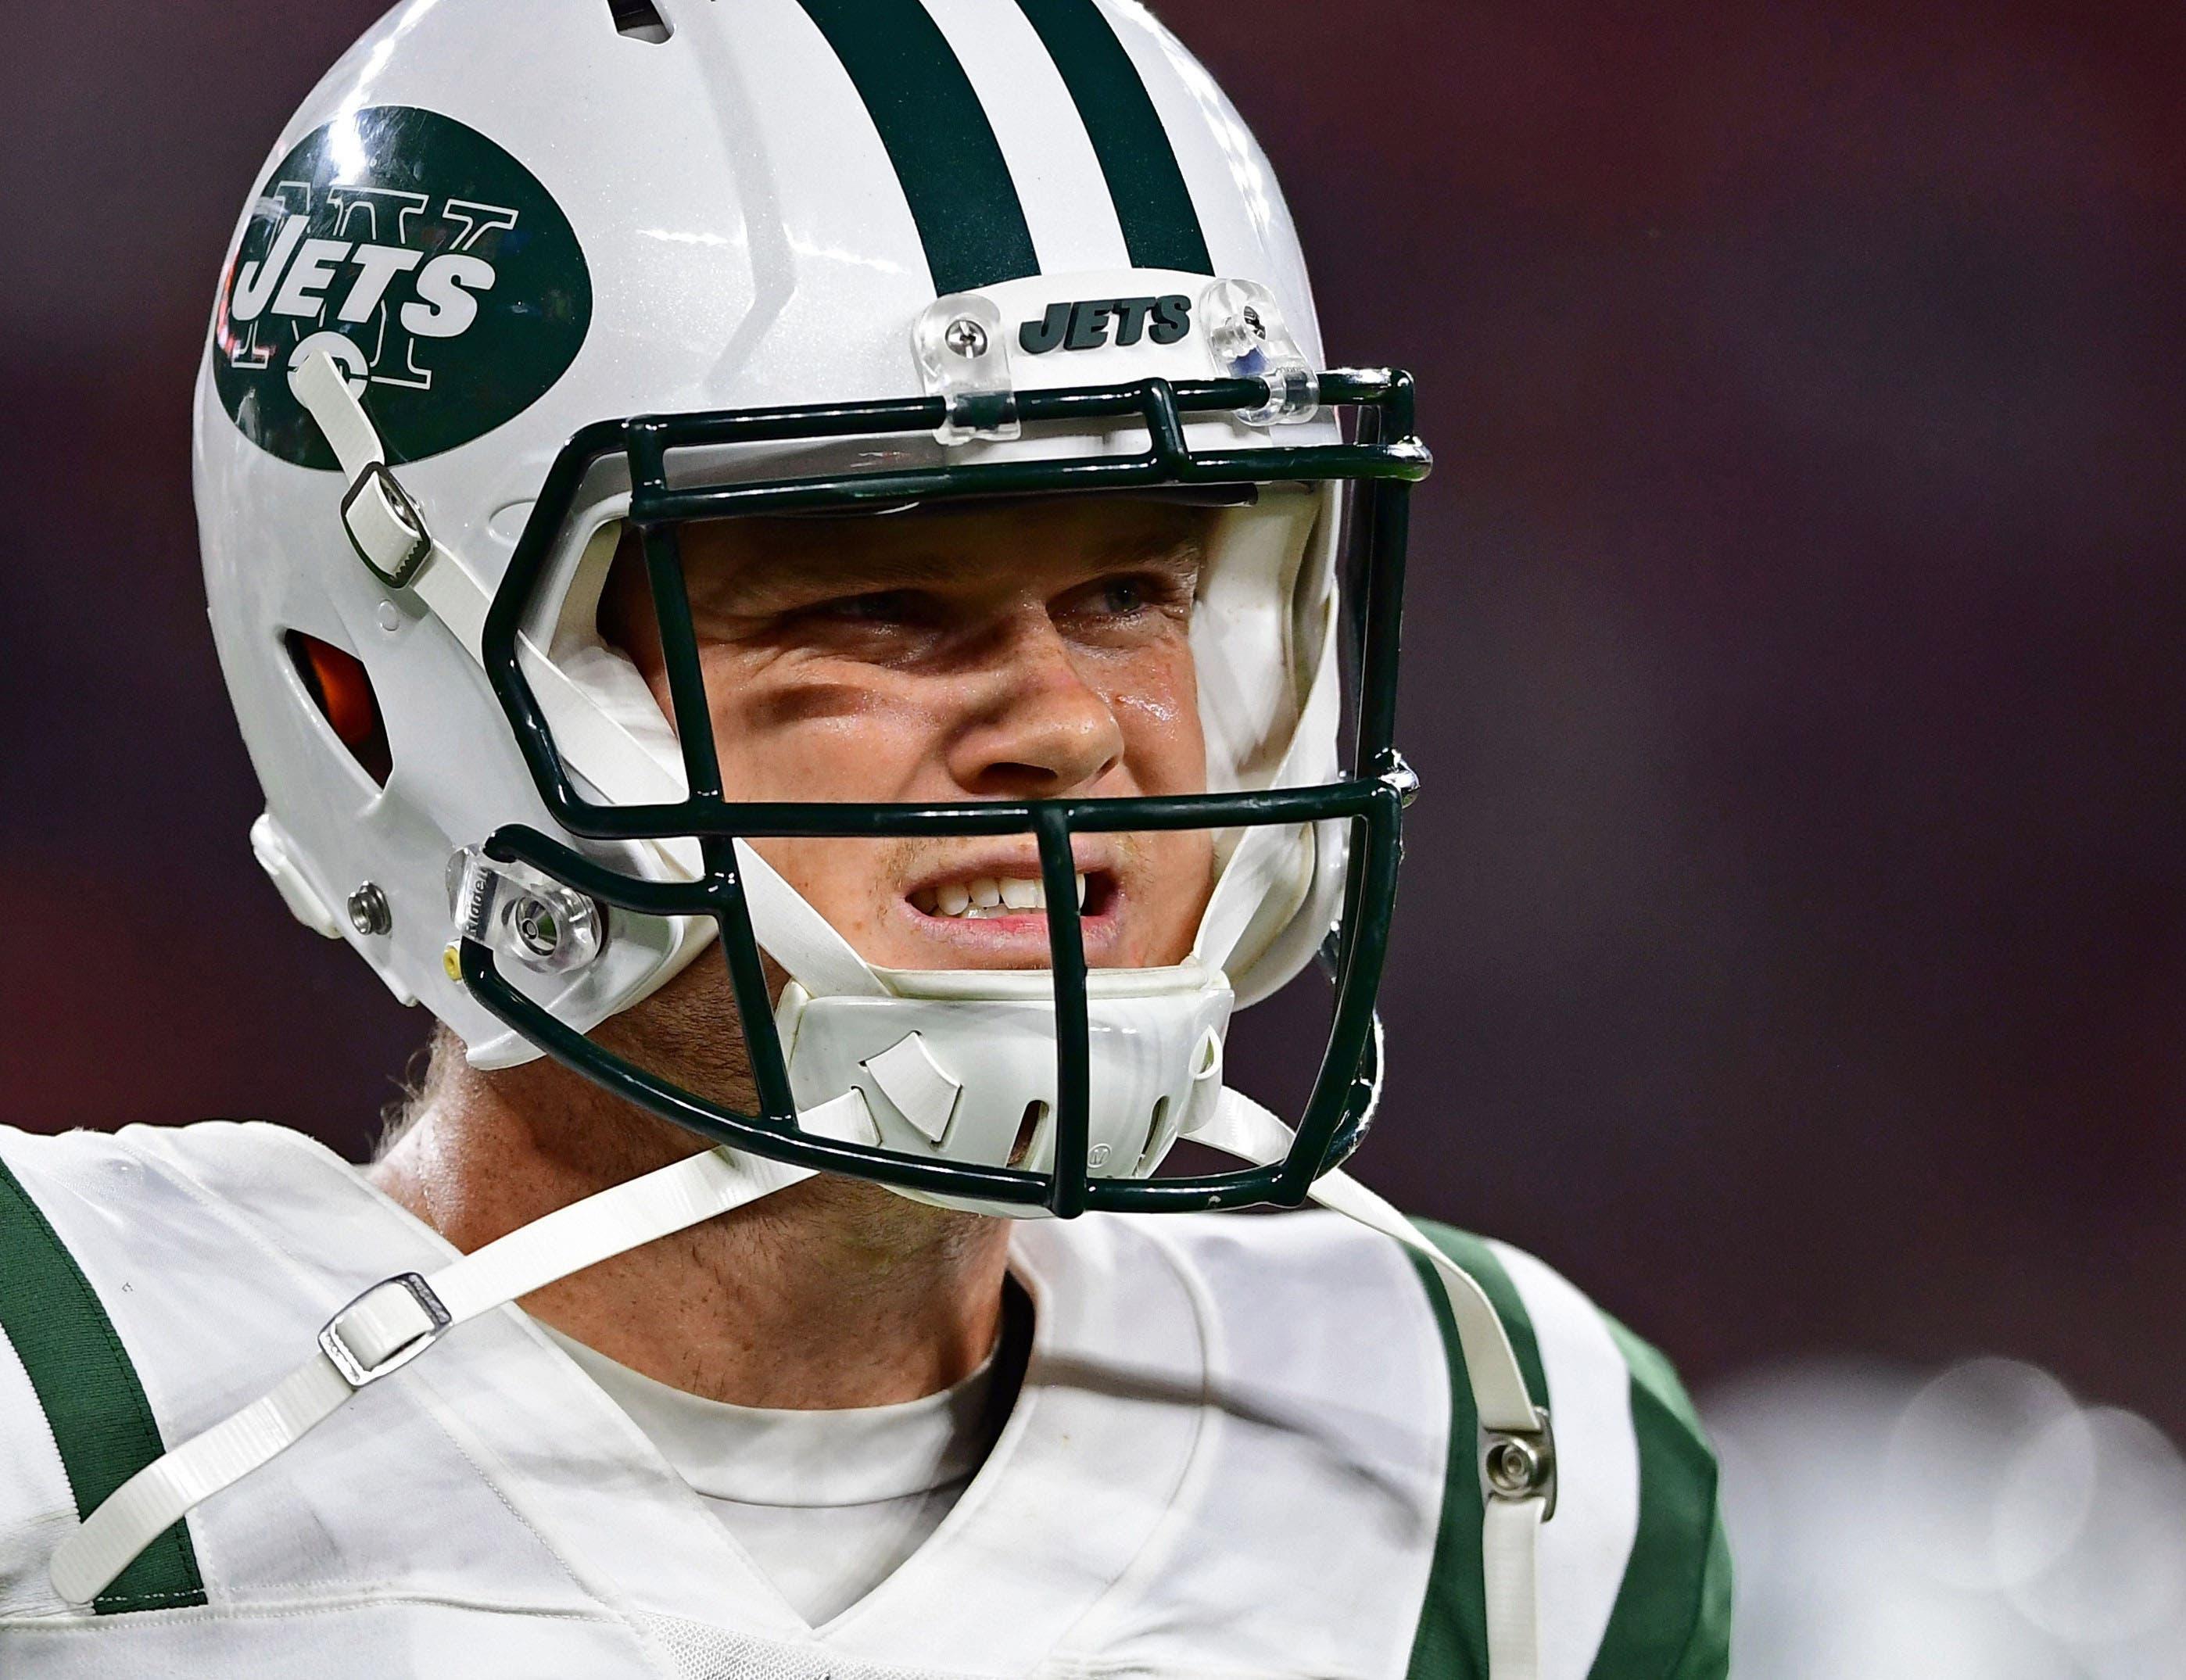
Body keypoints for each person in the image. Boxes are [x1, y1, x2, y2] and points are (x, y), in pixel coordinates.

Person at [0, 2, 1729, 1675]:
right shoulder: (57, 1405)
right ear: (388, 693)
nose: (1061, 722)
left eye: (1132, 586)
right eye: (881, 601)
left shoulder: (1495, 1470)